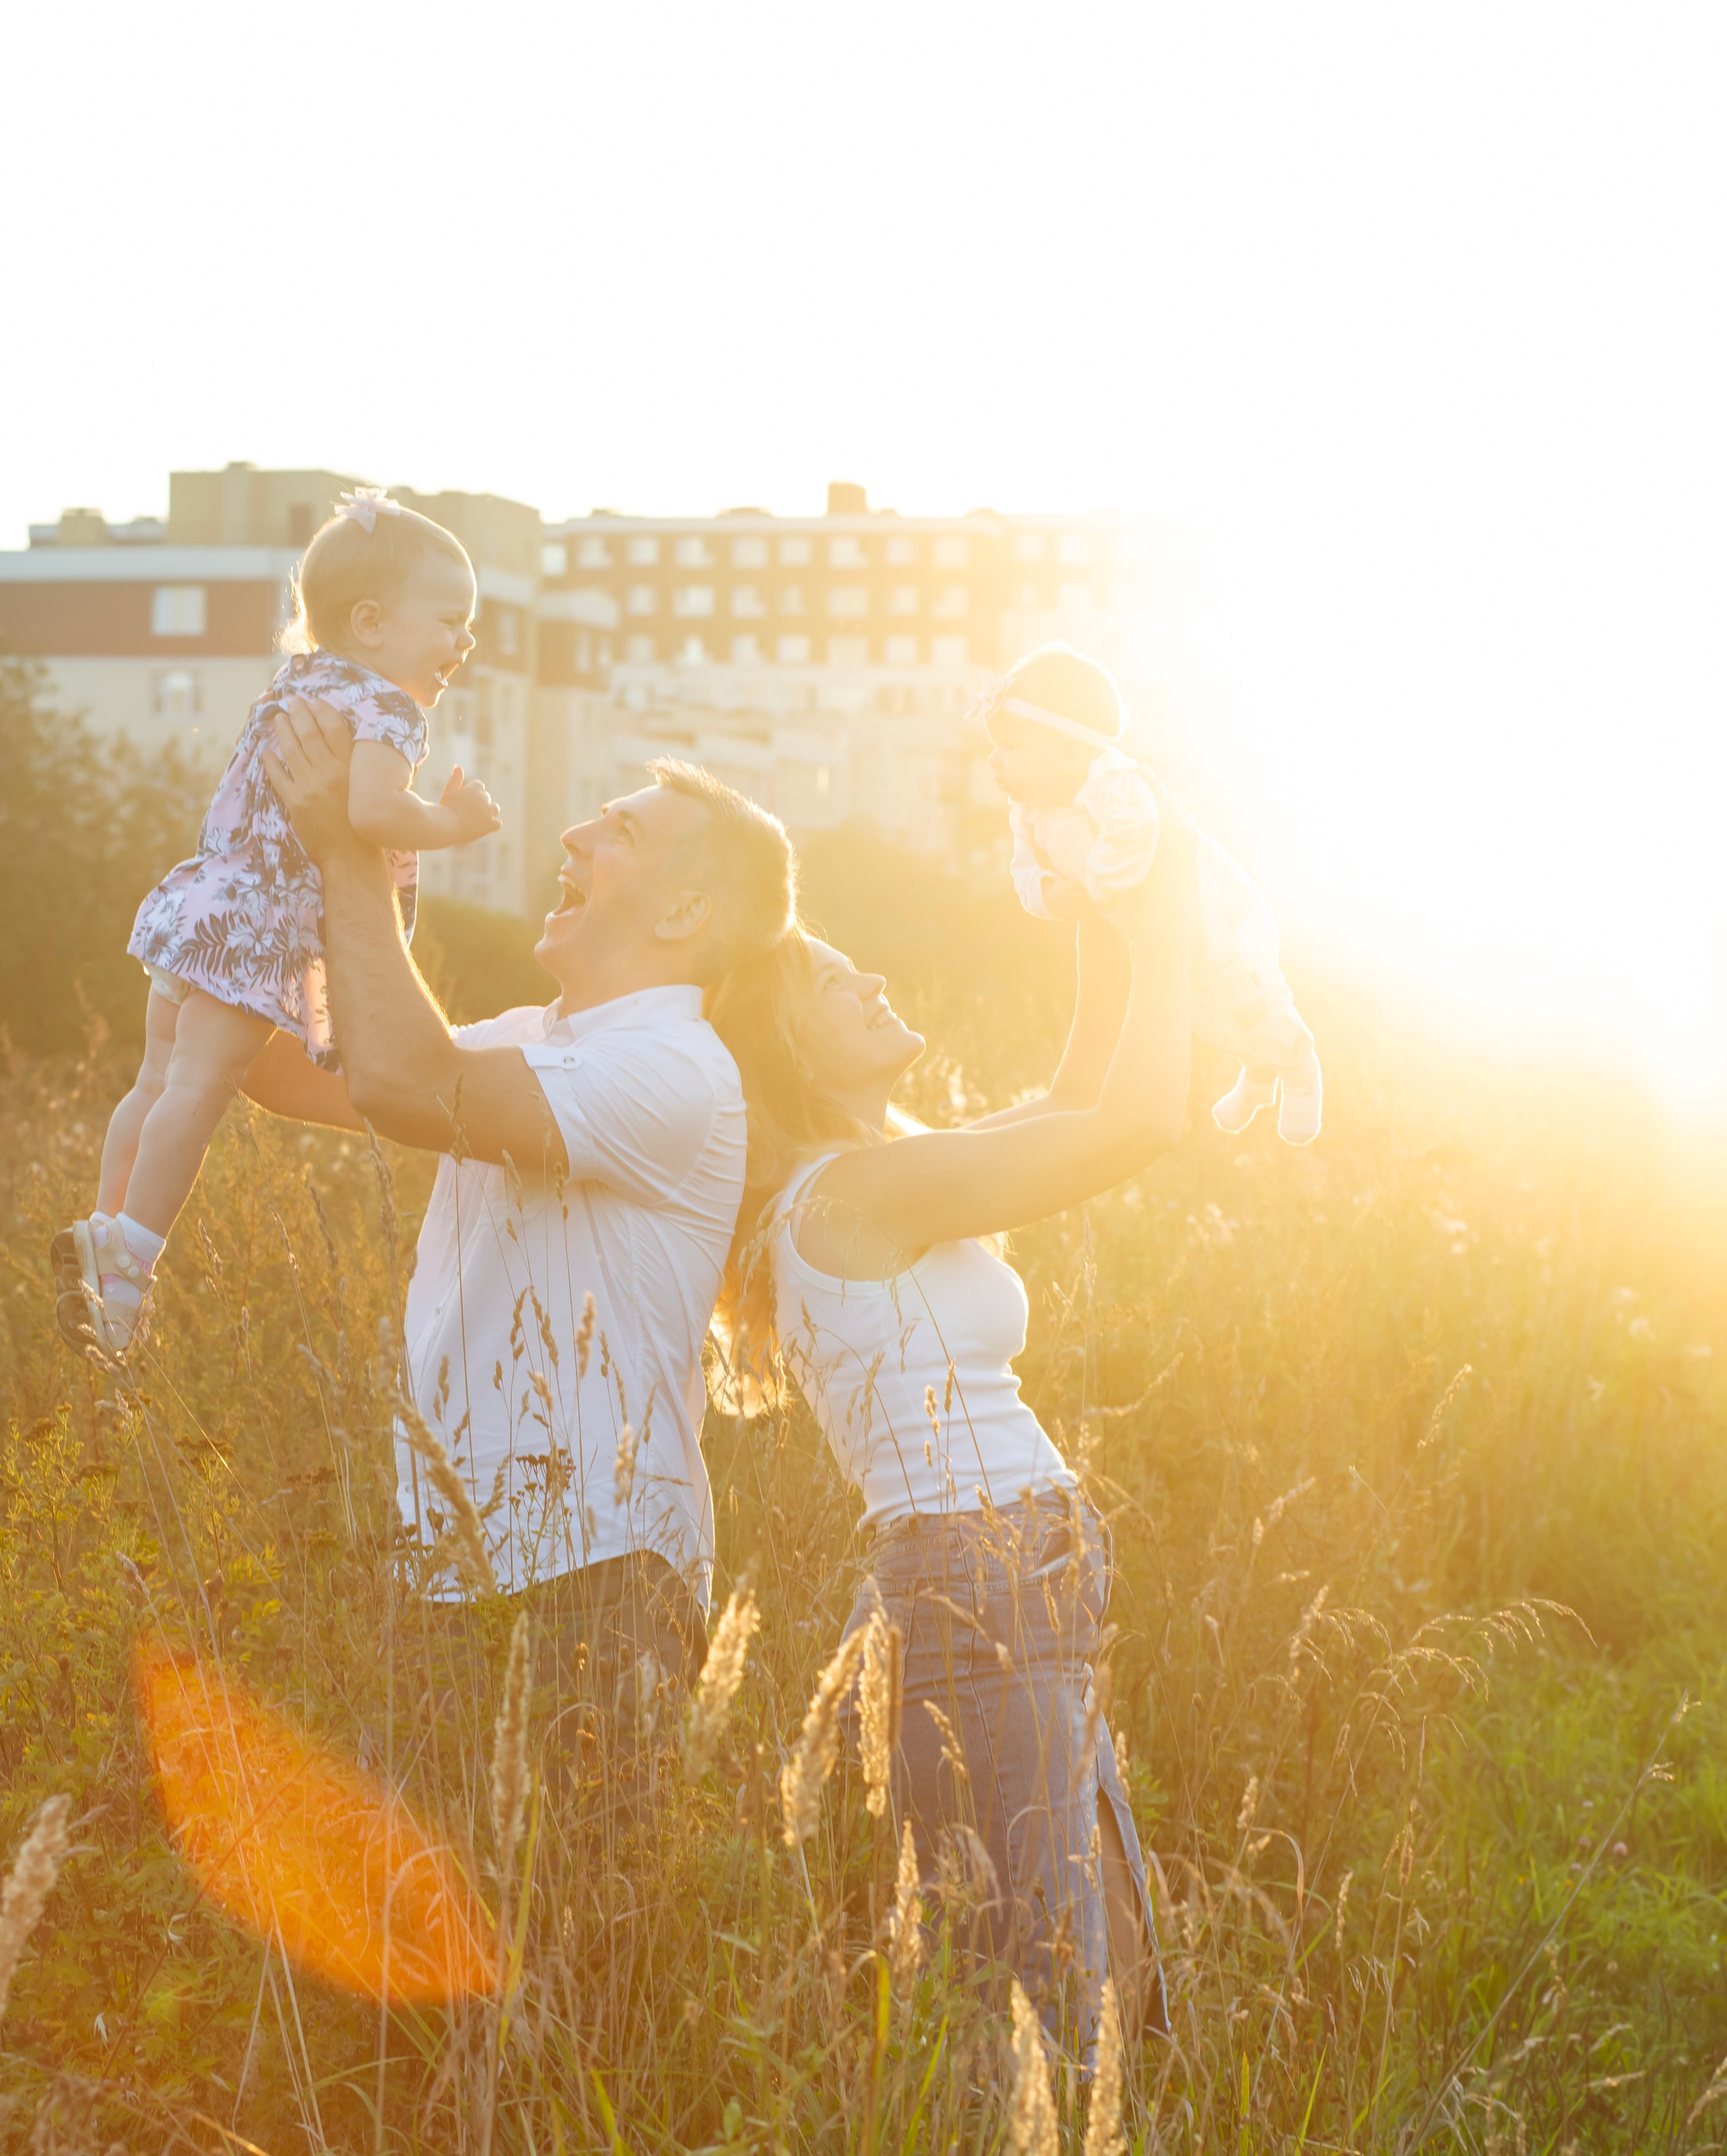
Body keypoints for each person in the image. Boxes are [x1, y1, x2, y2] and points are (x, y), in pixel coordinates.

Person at [707, 823, 1193, 2047]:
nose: (870, 980)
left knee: (1104, 1958)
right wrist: (1175, 910)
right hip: (980, 1578)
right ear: (790, 1046)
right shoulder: (858, 1193)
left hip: (1012, 1573)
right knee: (1059, 1984)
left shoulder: (878, 1171)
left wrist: (1100, 902)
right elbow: (1134, 1122)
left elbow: (1076, 1097)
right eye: (832, 981)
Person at [245, 698, 797, 1767]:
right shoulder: (529, 1040)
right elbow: (278, 1066)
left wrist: (347, 850)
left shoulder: (677, 1068)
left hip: (595, 1573)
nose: (574, 837)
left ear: (687, 911)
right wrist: (299, 860)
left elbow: (411, 1081)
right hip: (452, 1558)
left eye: (620, 832)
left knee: (570, 1930)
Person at [52, 491, 501, 1362]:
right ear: (371, 623)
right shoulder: (391, 709)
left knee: (156, 1081)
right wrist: (455, 825)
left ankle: (104, 1231)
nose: (464, 644)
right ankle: (133, 1256)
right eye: (450, 621)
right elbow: (372, 812)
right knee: (202, 1088)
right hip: (257, 933)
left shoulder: (300, 680)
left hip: (203, 904)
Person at [979, 640, 1324, 1145]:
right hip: (1150, 932)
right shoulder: (1031, 813)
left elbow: (1135, 831)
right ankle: (1258, 1074)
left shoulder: (1112, 783)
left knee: (1243, 994)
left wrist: (1096, 883)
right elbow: (1024, 874)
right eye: (995, 747)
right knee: (1200, 1011)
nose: (994, 760)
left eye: (1011, 749)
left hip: (1213, 916)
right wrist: (1052, 894)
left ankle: (1299, 1065)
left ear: (1069, 752)